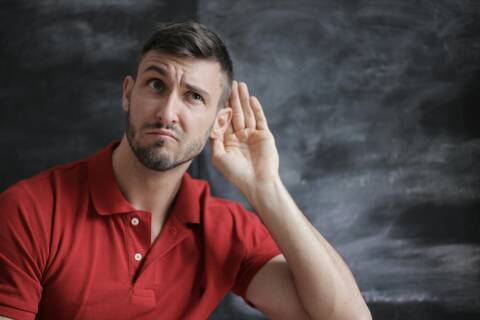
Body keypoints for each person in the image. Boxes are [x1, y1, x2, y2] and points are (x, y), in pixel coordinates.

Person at [0, 22, 371, 320]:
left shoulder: (226, 230)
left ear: (219, 121)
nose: (166, 113)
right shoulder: (29, 210)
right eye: (156, 85)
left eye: (193, 96)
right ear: (128, 94)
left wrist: (265, 187)